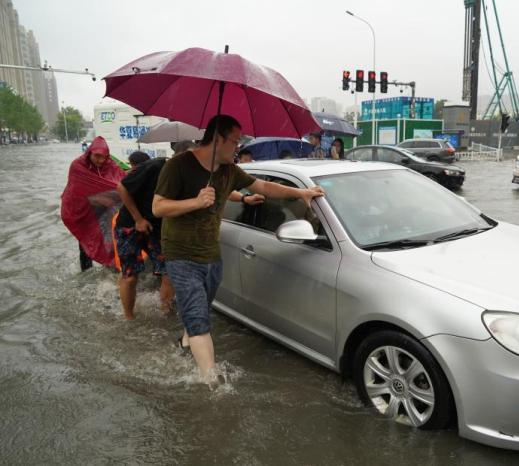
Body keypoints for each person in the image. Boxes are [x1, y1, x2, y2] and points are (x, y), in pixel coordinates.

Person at [152, 115, 324, 385]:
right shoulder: (178, 165)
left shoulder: (229, 171)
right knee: (199, 319)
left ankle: (186, 343)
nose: (239, 147)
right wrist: (195, 202)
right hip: (181, 254)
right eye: (235, 141)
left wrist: (299, 194)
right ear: (218, 139)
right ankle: (213, 387)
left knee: (198, 310)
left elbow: (263, 186)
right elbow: (158, 207)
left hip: (211, 254)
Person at [115, 154, 174, 320]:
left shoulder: (186, 176)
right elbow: (121, 187)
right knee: (131, 275)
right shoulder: (154, 166)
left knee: (169, 273)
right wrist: (138, 219)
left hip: (156, 227)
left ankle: (165, 314)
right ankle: (129, 318)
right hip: (130, 224)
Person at [61, 136, 126, 270]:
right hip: (83, 212)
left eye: (104, 157)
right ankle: (86, 271)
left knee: (108, 241)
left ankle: (111, 266)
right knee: (86, 241)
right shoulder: (77, 166)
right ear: (89, 152)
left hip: (104, 211)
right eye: (97, 156)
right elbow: (76, 191)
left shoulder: (110, 164)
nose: (100, 160)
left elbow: (122, 183)